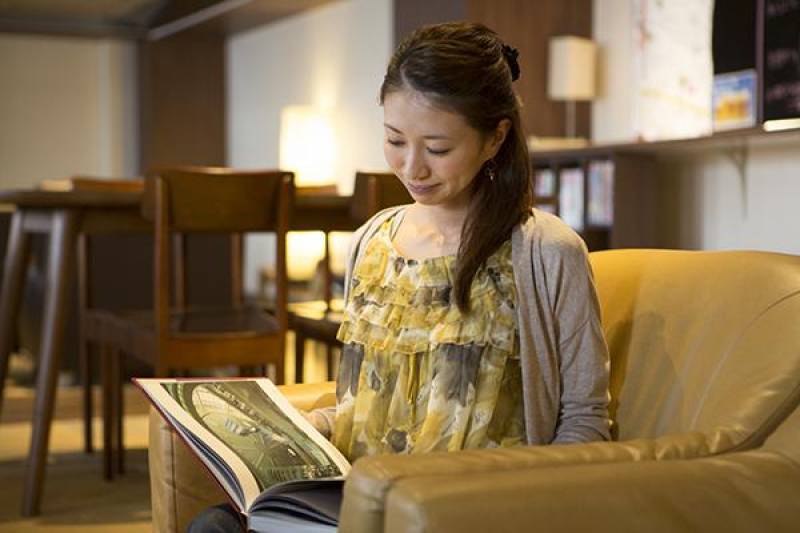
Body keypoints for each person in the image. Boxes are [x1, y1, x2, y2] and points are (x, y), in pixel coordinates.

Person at [188, 21, 610, 532]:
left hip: (467, 507)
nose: (413, 169)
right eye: (394, 140)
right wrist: (298, 429)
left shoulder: (547, 252)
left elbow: (585, 424)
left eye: (437, 148)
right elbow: (363, 403)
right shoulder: (371, 240)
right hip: (358, 501)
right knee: (216, 525)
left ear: (495, 138)